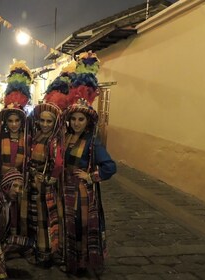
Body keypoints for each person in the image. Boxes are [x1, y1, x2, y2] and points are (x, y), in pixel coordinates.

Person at [61, 52, 116, 275]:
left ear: (88, 121)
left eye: (80, 119)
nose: (76, 123)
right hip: (65, 190)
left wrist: (90, 176)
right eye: (73, 119)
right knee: (69, 226)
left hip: (83, 194)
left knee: (82, 227)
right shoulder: (65, 138)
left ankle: (83, 264)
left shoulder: (93, 142)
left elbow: (110, 166)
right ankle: (71, 262)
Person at [19, 101, 64, 267]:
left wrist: (48, 178)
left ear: (55, 123)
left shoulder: (53, 140)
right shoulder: (36, 136)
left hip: (44, 188)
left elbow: (58, 163)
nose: (45, 124)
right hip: (33, 185)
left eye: (49, 121)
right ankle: (36, 247)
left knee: (44, 219)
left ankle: (46, 252)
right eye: (42, 121)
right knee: (34, 218)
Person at [0, 60, 32, 235]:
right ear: (5, 122)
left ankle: (19, 241)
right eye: (10, 120)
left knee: (20, 213)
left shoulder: (28, 138)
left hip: (21, 185)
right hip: (3, 185)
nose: (14, 124)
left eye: (17, 120)